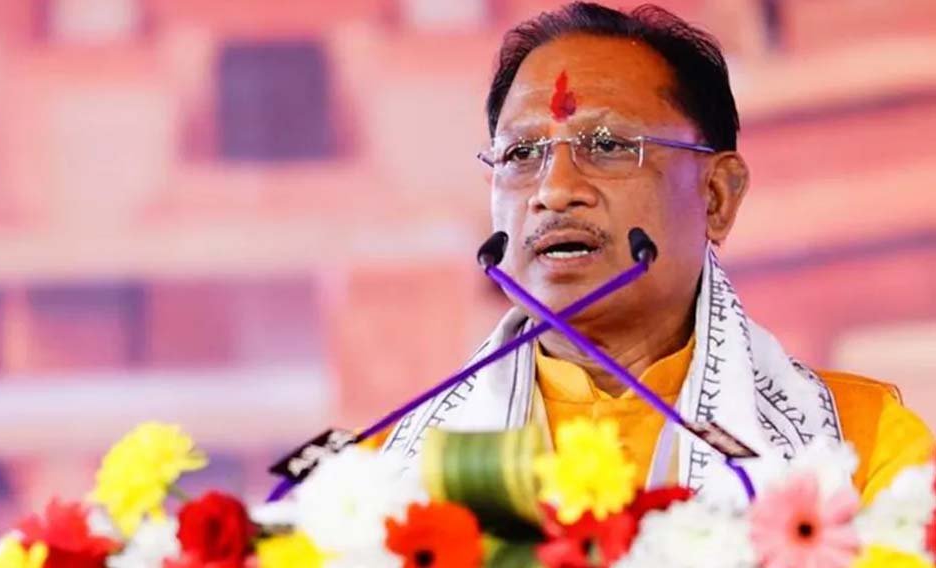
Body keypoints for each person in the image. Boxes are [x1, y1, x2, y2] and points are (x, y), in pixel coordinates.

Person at [376, 1, 933, 504]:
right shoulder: (381, 480)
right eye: (522, 153)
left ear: (716, 196)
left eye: (608, 145)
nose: (554, 190)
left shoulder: (862, 454)